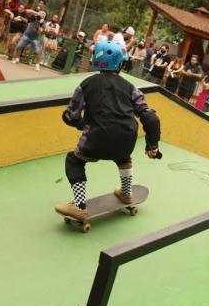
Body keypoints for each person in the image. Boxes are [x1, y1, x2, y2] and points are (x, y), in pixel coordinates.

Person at [54, 41, 161, 221]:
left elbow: (70, 116)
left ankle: (79, 206)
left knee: (74, 160)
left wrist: (81, 124)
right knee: (123, 158)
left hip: (96, 140)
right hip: (126, 141)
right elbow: (150, 117)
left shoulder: (86, 85)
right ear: (119, 64)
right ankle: (126, 193)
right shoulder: (131, 88)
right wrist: (152, 145)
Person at [11, 0, 47, 71]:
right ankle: (17, 59)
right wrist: (36, 13)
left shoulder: (43, 24)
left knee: (37, 51)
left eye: (42, 15)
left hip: (35, 38)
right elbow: (27, 11)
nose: (41, 15)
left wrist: (39, 25)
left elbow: (40, 32)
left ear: (44, 17)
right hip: (27, 35)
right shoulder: (34, 17)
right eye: (40, 14)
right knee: (19, 46)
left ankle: (37, 65)